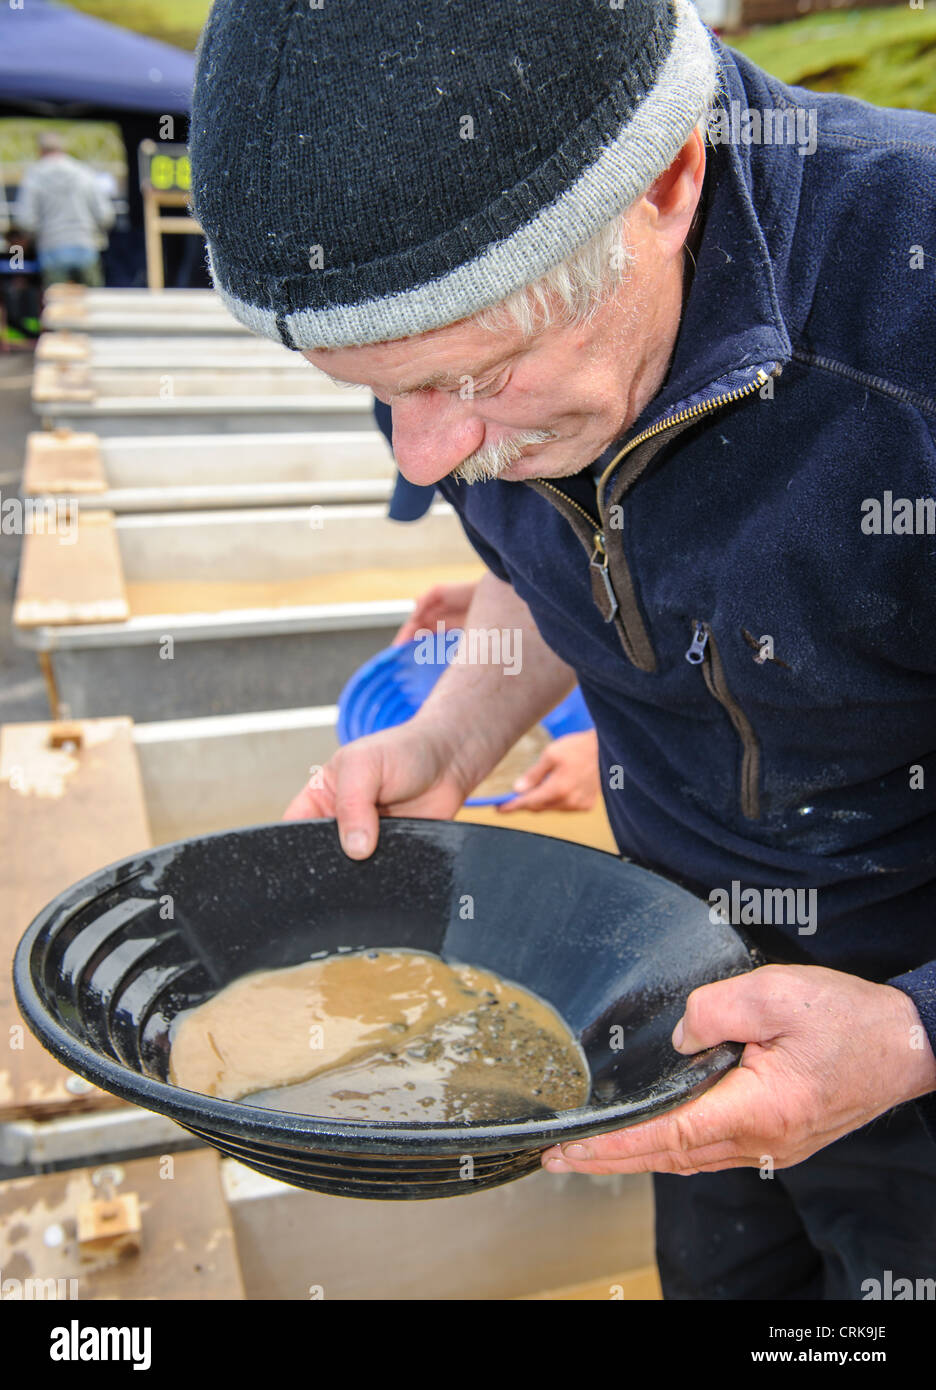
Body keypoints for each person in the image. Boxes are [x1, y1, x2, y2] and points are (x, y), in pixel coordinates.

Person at [189, 0, 936, 1298]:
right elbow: (560, 566)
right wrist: (452, 731)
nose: (425, 454)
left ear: (669, 184)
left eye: (475, 378)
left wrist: (915, 1027)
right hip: (662, 989)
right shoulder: (461, 341)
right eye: (379, 392)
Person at [13, 130, 115, 290]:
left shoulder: (33, 176)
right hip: (86, 247)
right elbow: (105, 216)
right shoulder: (85, 172)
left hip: (51, 249)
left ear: (40, 151)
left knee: (57, 308)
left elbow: (25, 221)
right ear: (63, 149)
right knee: (92, 306)